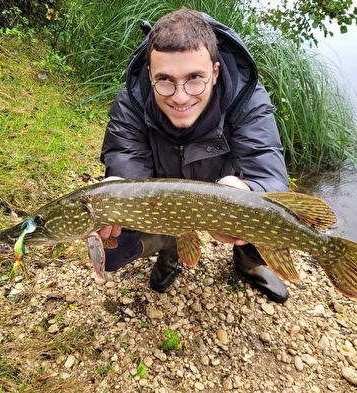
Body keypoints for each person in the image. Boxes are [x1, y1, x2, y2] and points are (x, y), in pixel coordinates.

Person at [98, 7, 290, 303]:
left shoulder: (247, 101)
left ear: (214, 73)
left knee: (267, 219)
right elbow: (126, 159)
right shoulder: (131, 103)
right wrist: (116, 185)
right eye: (164, 80)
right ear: (150, 75)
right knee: (113, 247)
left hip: (226, 200)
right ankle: (170, 252)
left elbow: (269, 173)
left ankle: (248, 263)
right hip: (162, 204)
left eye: (194, 78)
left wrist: (252, 191)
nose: (180, 96)